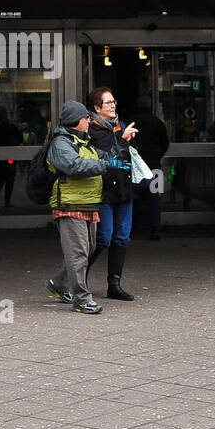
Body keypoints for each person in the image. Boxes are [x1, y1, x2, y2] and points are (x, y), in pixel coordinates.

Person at [44, 100, 108, 314]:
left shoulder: (84, 141)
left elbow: (102, 157)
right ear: (75, 121)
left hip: (88, 204)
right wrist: (104, 165)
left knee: (87, 250)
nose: (89, 121)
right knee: (78, 253)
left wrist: (121, 146)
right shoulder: (61, 143)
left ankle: (57, 284)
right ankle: (81, 299)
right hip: (69, 204)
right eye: (85, 118)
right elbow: (74, 166)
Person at [86, 86, 138, 301]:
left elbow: (129, 154)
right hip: (104, 190)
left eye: (114, 101)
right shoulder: (90, 130)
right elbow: (102, 158)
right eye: (108, 103)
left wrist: (131, 140)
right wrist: (123, 140)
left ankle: (114, 284)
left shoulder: (121, 126)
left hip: (124, 188)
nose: (113, 105)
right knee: (104, 238)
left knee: (122, 237)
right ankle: (76, 280)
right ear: (97, 108)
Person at [132, 99, 169, 240]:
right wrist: (157, 156)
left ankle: (134, 225)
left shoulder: (133, 122)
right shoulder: (158, 123)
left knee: (134, 196)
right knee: (155, 198)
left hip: (137, 167)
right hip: (154, 166)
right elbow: (165, 143)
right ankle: (155, 228)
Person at [0, 105, 23, 208]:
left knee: (1, 179)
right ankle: (6, 201)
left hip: (0, 157)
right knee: (8, 179)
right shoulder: (10, 126)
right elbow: (20, 138)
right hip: (9, 157)